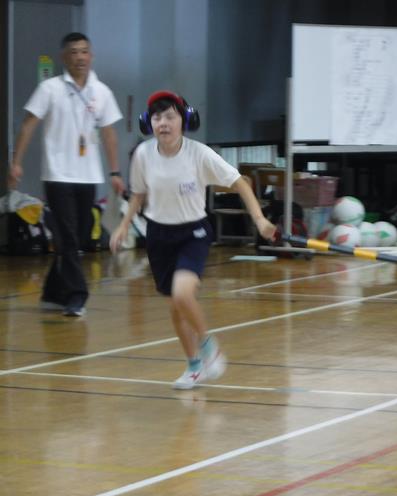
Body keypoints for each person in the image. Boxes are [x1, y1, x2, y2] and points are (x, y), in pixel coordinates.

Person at [109, 90, 276, 390]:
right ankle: (194, 367)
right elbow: (138, 194)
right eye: (157, 117)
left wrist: (260, 219)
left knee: (183, 294)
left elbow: (240, 182)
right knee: (176, 306)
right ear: (149, 123)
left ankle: (209, 346)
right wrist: (123, 226)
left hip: (193, 233)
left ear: (184, 120)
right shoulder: (143, 155)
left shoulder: (200, 154)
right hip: (158, 234)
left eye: (170, 116)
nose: (164, 123)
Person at [8, 32, 125, 316]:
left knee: (80, 236)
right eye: (73, 52)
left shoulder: (102, 92)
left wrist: (114, 171)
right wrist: (17, 162)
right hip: (58, 175)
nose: (80, 57)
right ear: (64, 57)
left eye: (84, 51)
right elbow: (28, 125)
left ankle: (52, 293)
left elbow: (109, 133)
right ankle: (77, 296)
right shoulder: (50, 88)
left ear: (91, 56)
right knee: (69, 238)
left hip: (88, 175)